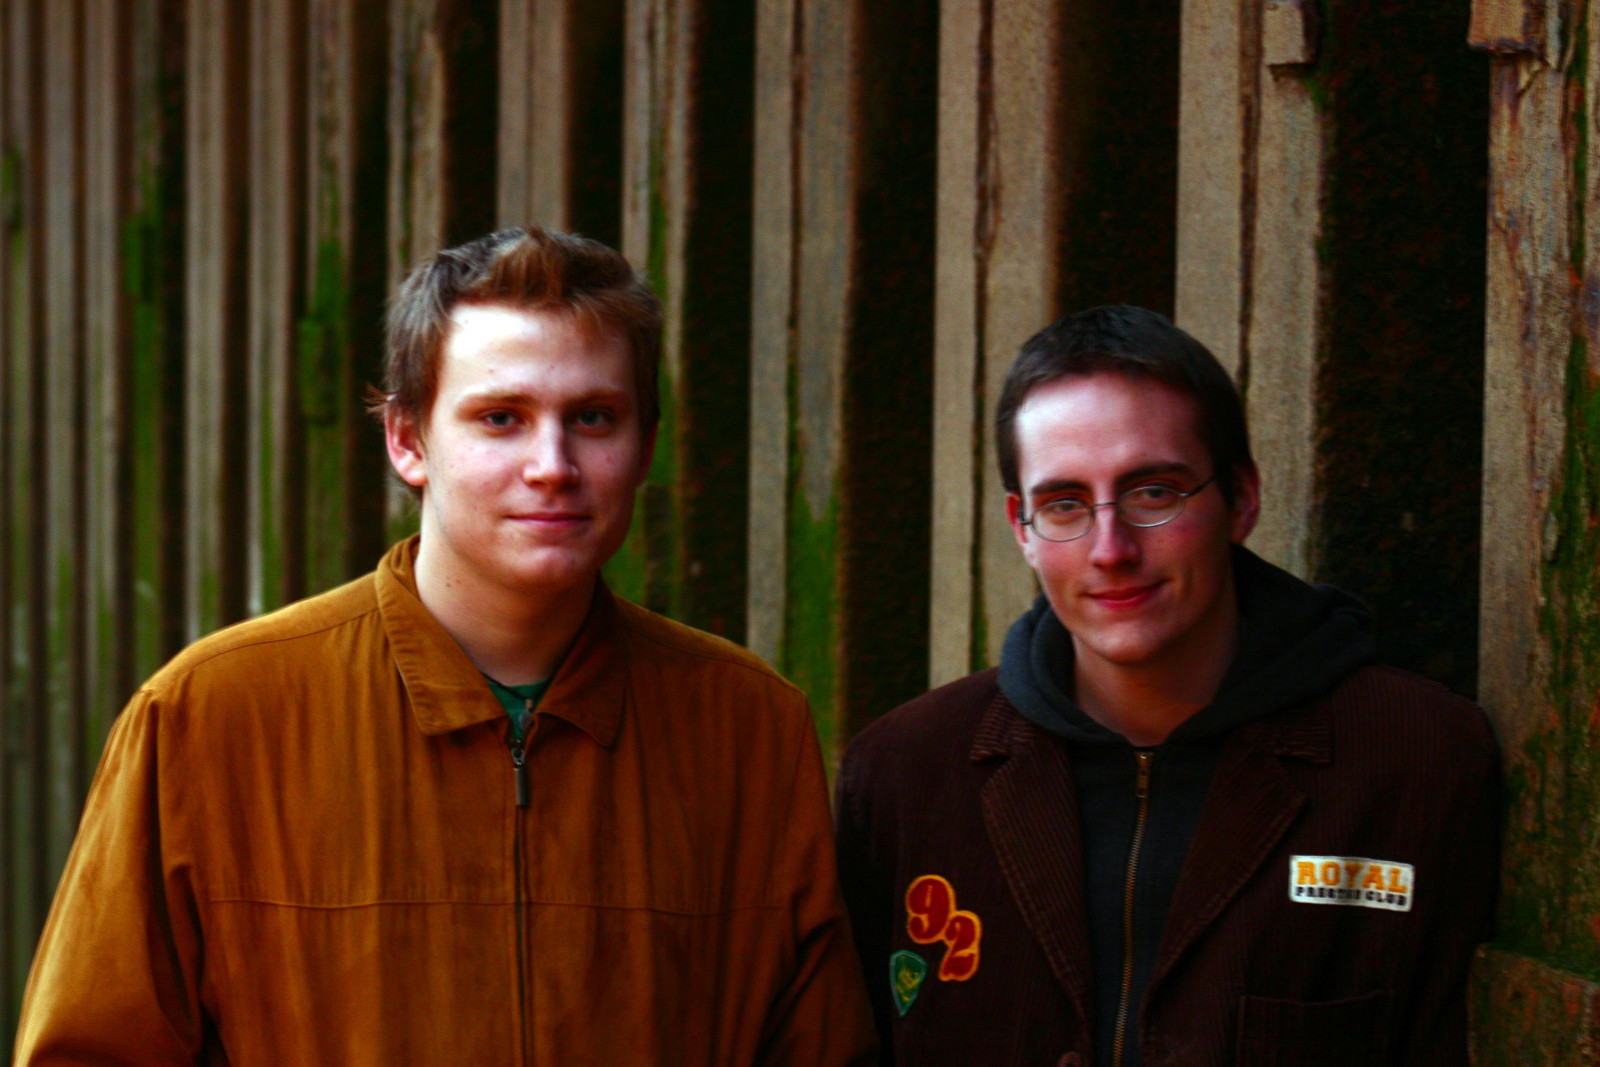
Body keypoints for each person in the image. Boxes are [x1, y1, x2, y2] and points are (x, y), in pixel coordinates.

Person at [17, 227, 875, 1065]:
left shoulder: (748, 727)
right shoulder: (212, 714)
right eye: (501, 417)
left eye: (593, 417)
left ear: (645, 444)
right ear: (407, 439)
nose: (553, 463)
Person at [834, 305, 1499, 1066]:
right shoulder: (905, 773)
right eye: (1064, 504)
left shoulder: (1415, 758)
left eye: (1153, 492)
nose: (1111, 549)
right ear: (1022, 527)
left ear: (1240, 498)